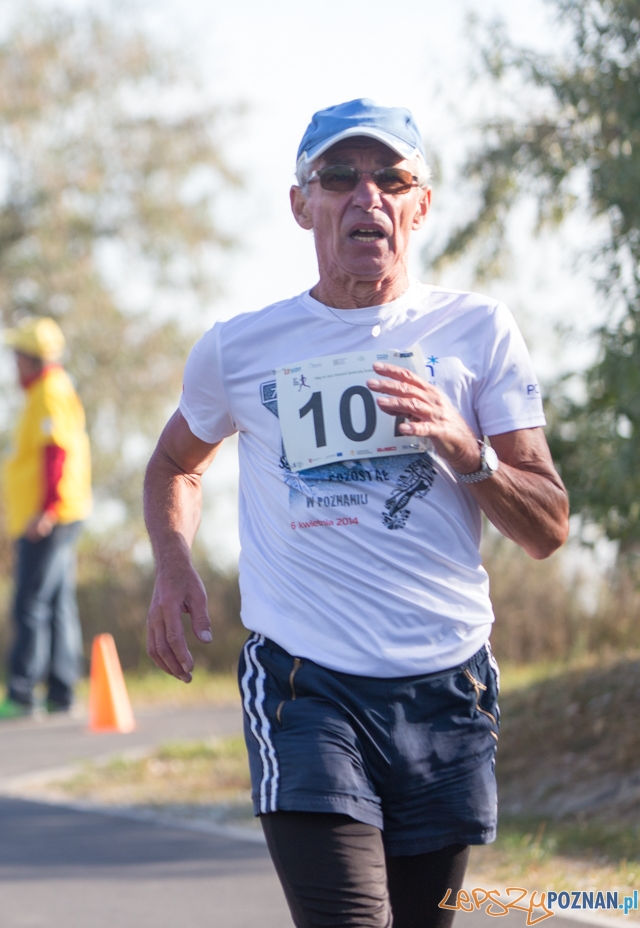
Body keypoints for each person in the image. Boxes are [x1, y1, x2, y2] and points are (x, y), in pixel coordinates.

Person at [144, 99, 570, 928]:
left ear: (421, 204)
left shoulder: (478, 331)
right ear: (302, 203)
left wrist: (465, 447)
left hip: (447, 684)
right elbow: (172, 463)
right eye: (338, 176)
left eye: (391, 177)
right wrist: (172, 561)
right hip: (307, 685)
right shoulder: (240, 348)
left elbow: (548, 525)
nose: (364, 194)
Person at [0, 317, 92, 721]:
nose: (13, 365)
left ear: (30, 359)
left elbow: (55, 453)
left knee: (30, 603)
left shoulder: (49, 392)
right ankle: (61, 692)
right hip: (60, 513)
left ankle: (22, 693)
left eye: (17, 356)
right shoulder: (47, 392)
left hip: (49, 517)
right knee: (56, 602)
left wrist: (44, 511)